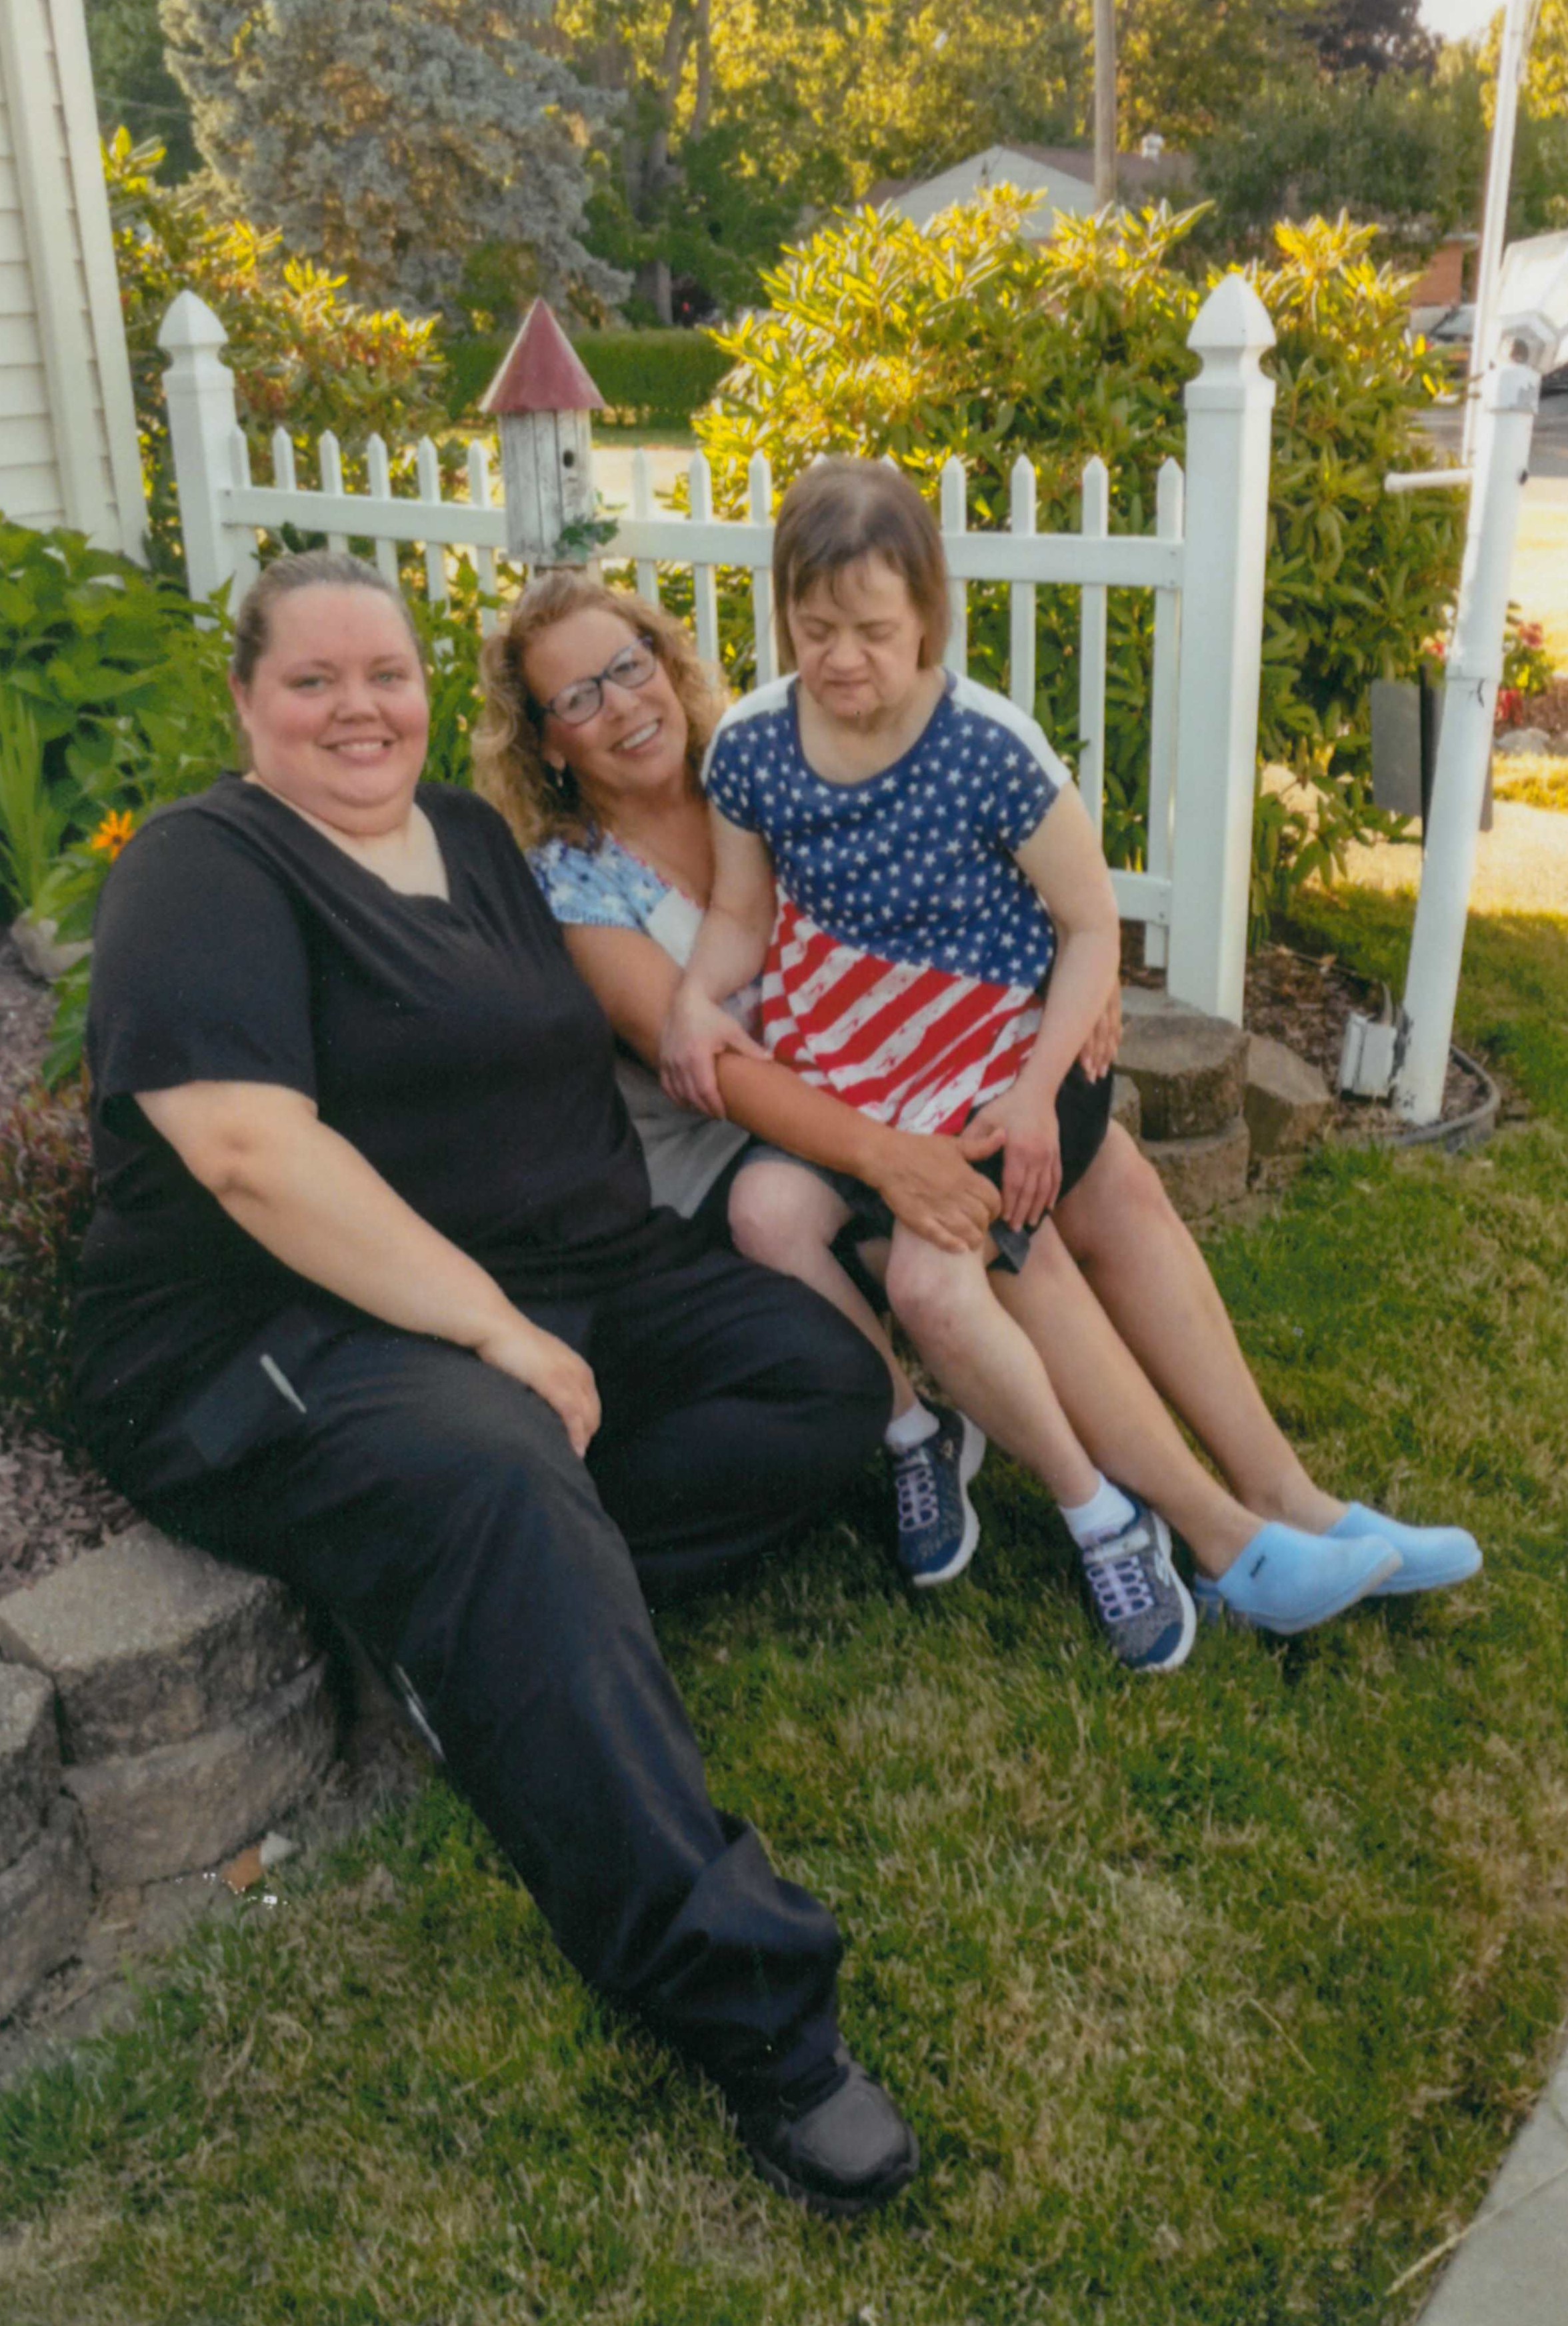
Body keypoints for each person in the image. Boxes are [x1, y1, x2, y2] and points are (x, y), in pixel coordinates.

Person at [69, 548, 921, 2220]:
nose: (358, 707)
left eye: (384, 673)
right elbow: (247, 1155)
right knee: (504, 1470)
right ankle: (756, 2012)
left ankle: (489, 1629)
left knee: (816, 1377)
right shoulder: (203, 867)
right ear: (244, 700)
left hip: (554, 1271)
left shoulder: (467, 836)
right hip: (271, 1331)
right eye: (313, 679)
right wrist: (494, 1331)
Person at [478, 465, 1479, 1673]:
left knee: (1105, 1177)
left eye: (630, 663)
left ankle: (1289, 1495)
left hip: (905, 1071)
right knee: (1007, 1235)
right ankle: (1202, 1532)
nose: (623, 704)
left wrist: (1065, 995)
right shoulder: (590, 876)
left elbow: (980, 896)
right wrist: (897, 1152)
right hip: (764, 1143)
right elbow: (728, 1070)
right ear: (543, 739)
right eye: (578, 697)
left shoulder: (761, 750)